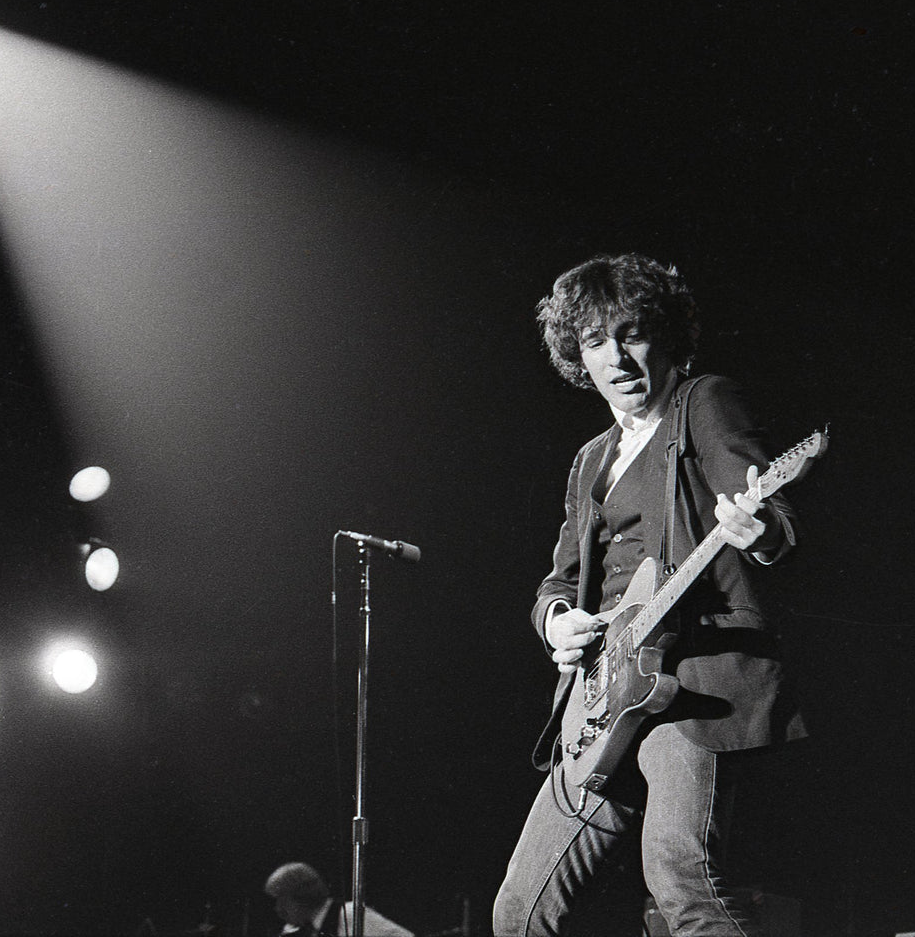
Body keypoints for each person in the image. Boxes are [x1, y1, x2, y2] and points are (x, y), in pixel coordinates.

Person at [492, 254, 807, 937]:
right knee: (517, 911)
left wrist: (759, 531)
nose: (617, 356)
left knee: (680, 878)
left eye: (631, 333)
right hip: (600, 697)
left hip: (689, 682)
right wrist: (557, 623)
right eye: (596, 341)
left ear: (663, 335)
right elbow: (556, 581)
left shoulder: (703, 402)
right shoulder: (589, 459)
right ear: (577, 356)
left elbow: (769, 511)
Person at [265, 862, 414, 937]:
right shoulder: (296, 930)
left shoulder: (349, 914)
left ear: (303, 896)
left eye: (282, 901)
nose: (278, 910)